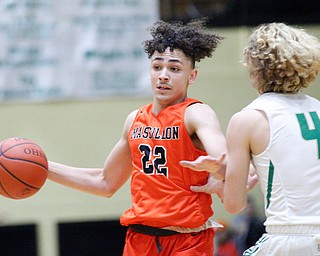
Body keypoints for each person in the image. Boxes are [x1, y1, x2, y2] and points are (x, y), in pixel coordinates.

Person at [48, 19, 227, 256]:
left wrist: (218, 168)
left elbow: (227, 163)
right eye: (157, 67)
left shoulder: (196, 114)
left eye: (174, 69)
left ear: (191, 76)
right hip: (140, 240)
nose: (164, 76)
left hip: (187, 241)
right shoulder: (135, 119)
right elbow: (105, 182)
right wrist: (43, 168)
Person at [180, 23, 320, 255]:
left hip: (289, 239)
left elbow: (235, 204)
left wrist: (218, 182)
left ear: (255, 68)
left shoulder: (248, 119)